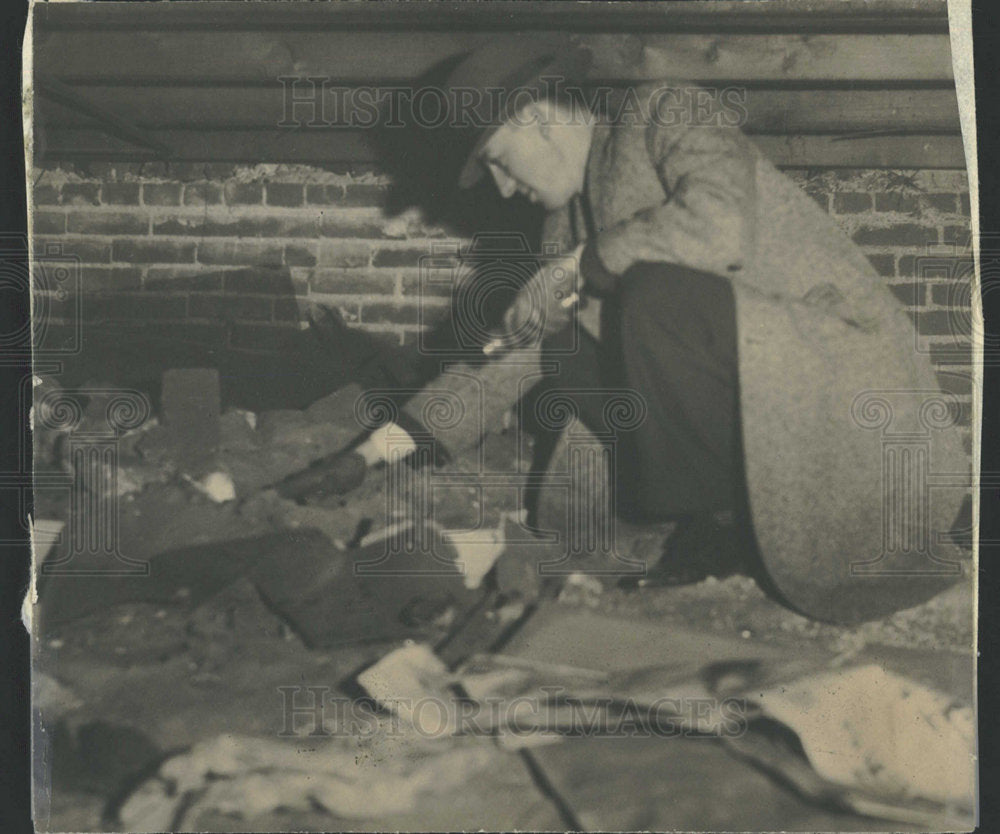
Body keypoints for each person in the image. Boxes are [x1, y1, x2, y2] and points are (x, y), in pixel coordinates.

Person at [283, 39, 971, 624]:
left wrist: (579, 268)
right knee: (563, 340)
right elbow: (506, 361)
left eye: (497, 158)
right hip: (759, 404)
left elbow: (717, 229)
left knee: (650, 293)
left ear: (538, 118)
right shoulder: (565, 229)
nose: (499, 187)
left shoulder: (666, 111)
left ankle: (711, 531)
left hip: (840, 391)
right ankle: (699, 526)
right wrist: (371, 453)